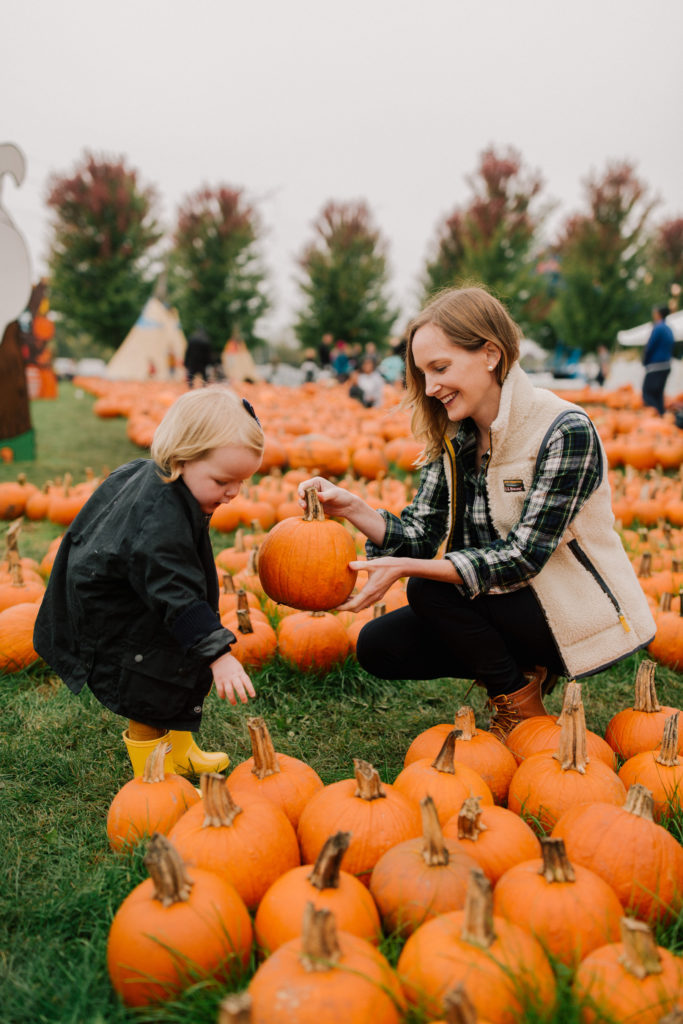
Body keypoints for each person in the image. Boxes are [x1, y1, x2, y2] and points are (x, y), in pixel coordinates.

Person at [298, 286, 655, 740]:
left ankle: (518, 703)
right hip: (505, 599)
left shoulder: (564, 430)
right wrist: (354, 508)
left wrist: (412, 568)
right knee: (378, 647)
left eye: (441, 368)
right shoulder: (457, 436)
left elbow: (524, 556)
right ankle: (522, 668)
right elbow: (422, 534)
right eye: (423, 374)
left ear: (490, 353)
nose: (430, 388)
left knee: (431, 590)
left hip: (571, 608)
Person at [33, 387, 263, 776]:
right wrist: (218, 655)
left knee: (176, 663)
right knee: (148, 686)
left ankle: (180, 749)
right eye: (224, 480)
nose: (233, 493)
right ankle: (153, 779)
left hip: (137, 590)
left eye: (242, 482)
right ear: (182, 457)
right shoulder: (159, 520)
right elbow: (175, 591)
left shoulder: (166, 480)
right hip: (117, 611)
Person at [642, 306, 675, 415]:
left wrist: (645, 360)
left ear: (658, 314)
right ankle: (661, 416)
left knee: (648, 393)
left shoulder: (658, 328)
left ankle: (654, 418)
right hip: (666, 365)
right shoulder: (669, 329)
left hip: (656, 366)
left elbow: (650, 346)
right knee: (658, 394)